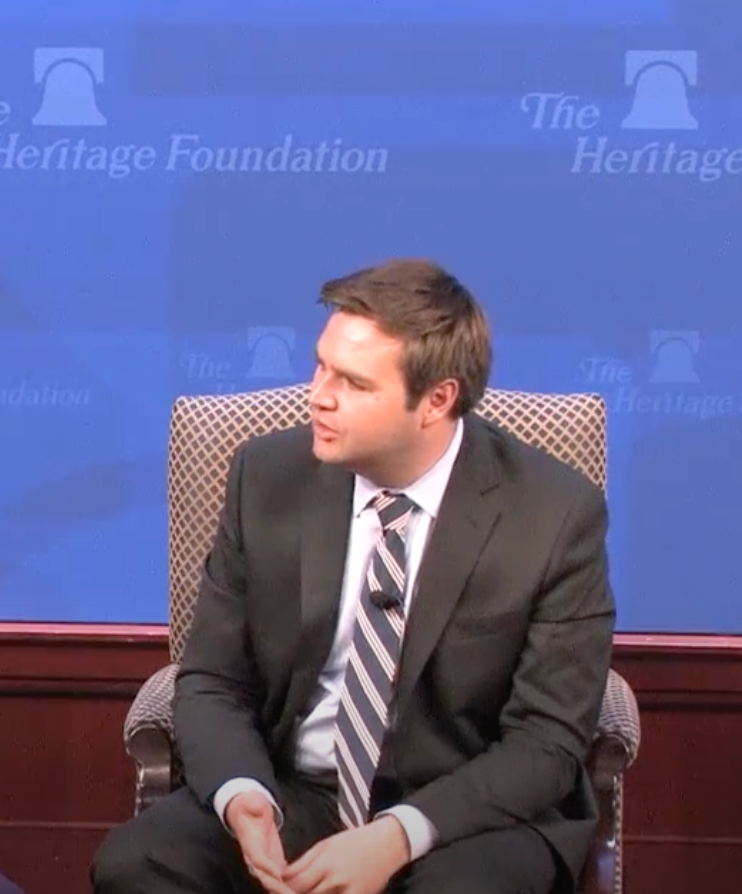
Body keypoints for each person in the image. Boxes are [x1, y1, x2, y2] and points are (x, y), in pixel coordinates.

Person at [92, 258, 616, 894]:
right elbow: (212, 679)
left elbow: (547, 741)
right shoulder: (265, 479)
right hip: (296, 791)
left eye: (354, 383)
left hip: (467, 817)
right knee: (138, 865)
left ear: (437, 400)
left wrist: (396, 834)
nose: (319, 395)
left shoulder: (553, 514)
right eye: (320, 365)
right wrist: (242, 795)